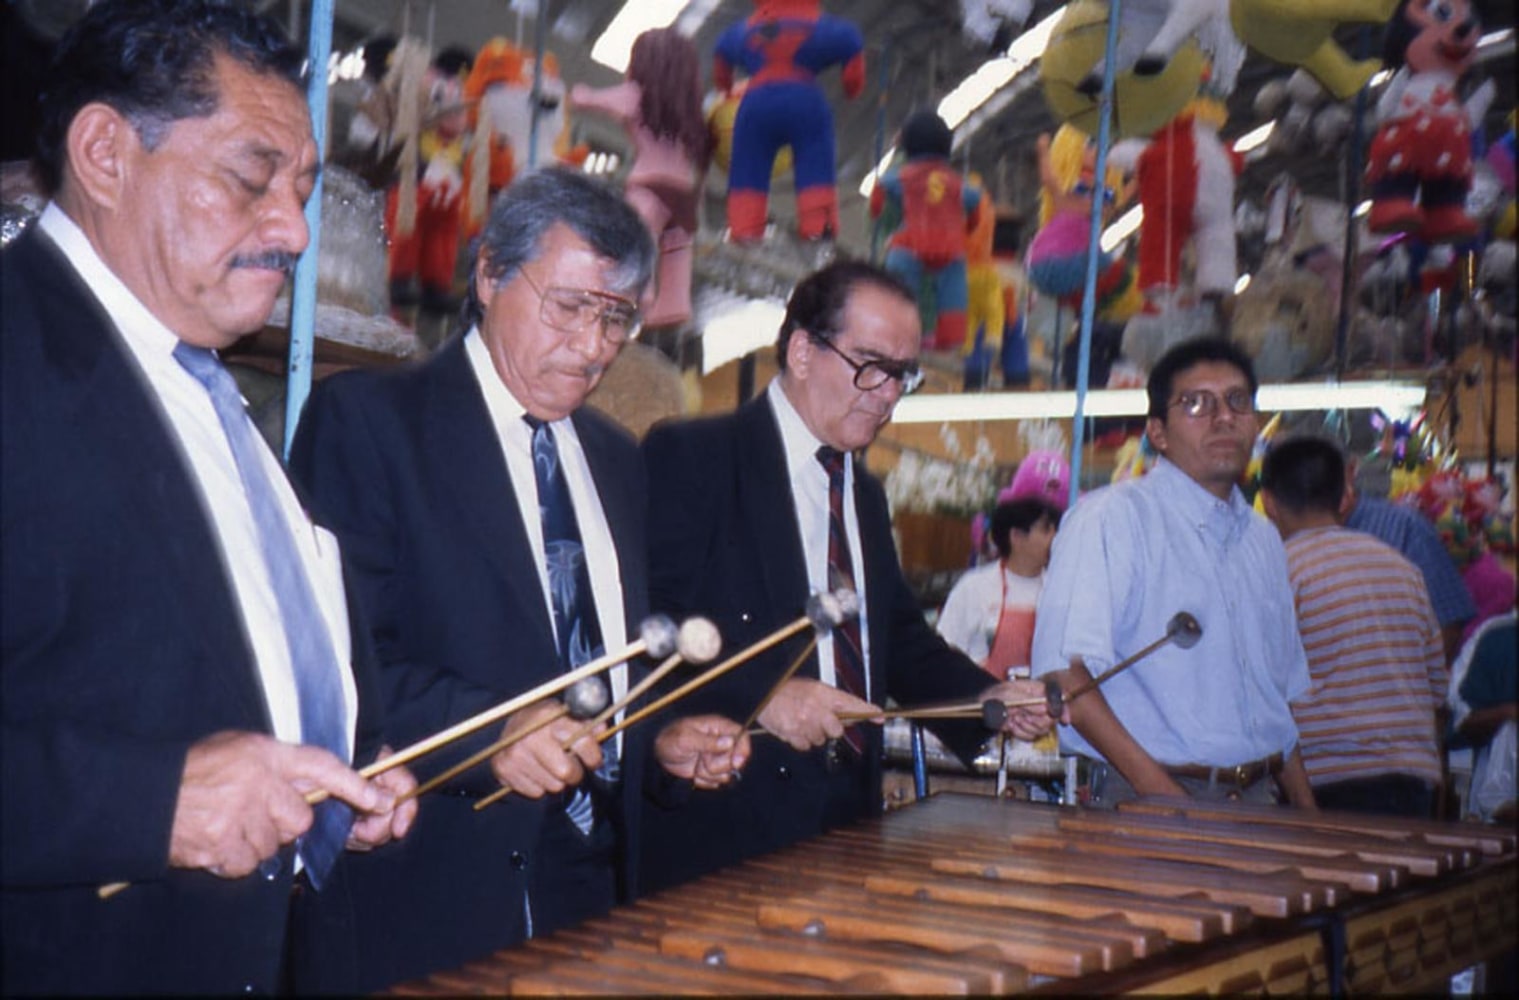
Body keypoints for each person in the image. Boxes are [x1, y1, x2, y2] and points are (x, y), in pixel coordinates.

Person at [1, 2, 417, 994]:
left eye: (306, 190)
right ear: (105, 152)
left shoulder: (205, 386)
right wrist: (157, 802)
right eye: (250, 178)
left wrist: (342, 768)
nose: (294, 230)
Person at [290, 166, 747, 991]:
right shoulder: (370, 423)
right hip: (432, 892)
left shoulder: (615, 459)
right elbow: (331, 663)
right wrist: (488, 734)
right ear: (491, 274)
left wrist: (655, 747)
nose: (594, 345)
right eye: (569, 306)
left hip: (592, 887)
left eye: (617, 317)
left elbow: (608, 670)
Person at [638, 260, 1061, 894]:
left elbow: (896, 639)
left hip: (843, 821)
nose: (888, 393)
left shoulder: (860, 492)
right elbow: (647, 625)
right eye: (870, 364)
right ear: (803, 351)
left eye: (902, 374)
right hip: (726, 814)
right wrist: (766, 697)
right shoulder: (694, 456)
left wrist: (990, 700)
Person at [1031, 337, 1317, 809]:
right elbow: (1068, 682)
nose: (1223, 417)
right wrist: (1171, 801)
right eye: (1196, 403)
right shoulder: (1111, 520)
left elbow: (1275, 701)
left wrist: (1310, 817)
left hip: (1262, 799)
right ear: (1158, 433)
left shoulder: (1263, 540)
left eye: (1237, 401)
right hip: (1149, 800)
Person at [1260, 435, 1448, 817]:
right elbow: (1437, 693)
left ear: (1267, 503)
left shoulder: (1277, 573)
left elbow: (1264, 695)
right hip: (1412, 780)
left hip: (1321, 785)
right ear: (1344, 497)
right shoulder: (1402, 569)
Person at [1342, 472, 1476, 663]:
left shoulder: (1406, 528)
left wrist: (1412, 682)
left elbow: (1448, 621)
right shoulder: (1290, 537)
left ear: (1350, 471)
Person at [938, 496, 1062, 678]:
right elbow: (946, 648)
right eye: (1046, 530)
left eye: (1055, 530)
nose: (1055, 538)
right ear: (1016, 537)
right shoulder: (974, 587)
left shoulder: (1058, 590)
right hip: (980, 699)